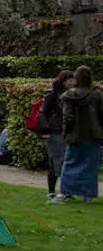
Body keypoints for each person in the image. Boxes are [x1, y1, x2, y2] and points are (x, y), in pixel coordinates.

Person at [58, 64, 103, 203]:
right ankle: (88, 194)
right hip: (94, 134)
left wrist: (66, 132)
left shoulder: (69, 96)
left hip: (76, 133)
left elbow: (68, 117)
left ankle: (66, 192)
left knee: (71, 162)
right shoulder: (98, 95)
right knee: (90, 165)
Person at [42, 69, 75, 200]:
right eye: (70, 80)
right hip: (55, 131)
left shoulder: (71, 94)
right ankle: (52, 191)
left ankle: (65, 191)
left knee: (66, 162)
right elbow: (44, 114)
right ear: (63, 80)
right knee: (55, 161)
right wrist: (46, 131)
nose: (72, 82)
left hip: (66, 131)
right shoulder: (52, 95)